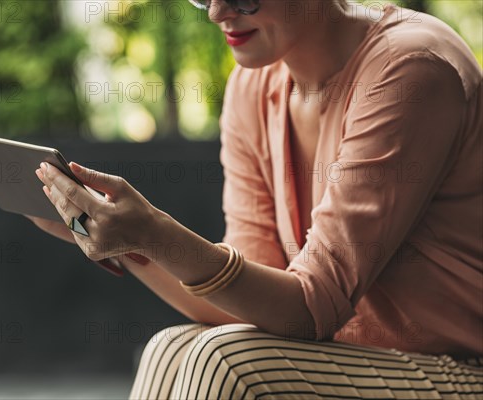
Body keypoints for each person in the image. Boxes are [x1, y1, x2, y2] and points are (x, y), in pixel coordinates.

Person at [29, 0, 482, 398]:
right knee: (171, 347)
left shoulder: (409, 69)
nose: (217, 12)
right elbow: (243, 305)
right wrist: (126, 240)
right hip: (353, 361)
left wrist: (154, 232)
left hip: (465, 369)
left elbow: (309, 310)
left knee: (225, 361)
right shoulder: (253, 87)